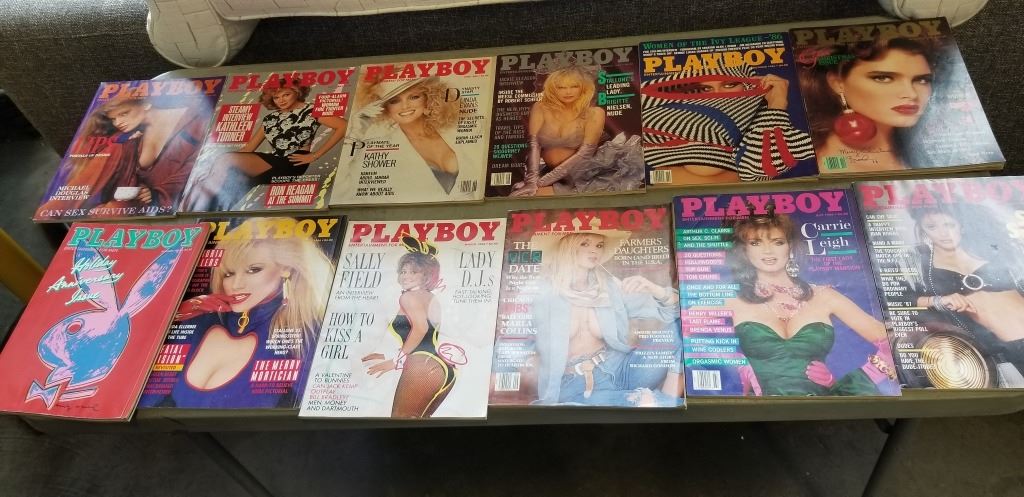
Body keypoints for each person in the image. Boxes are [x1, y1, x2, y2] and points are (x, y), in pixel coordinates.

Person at [717, 209, 897, 396]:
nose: (768, 251)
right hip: (760, 408)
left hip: (821, 405)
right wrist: (738, 364)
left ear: (790, 246)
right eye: (756, 243)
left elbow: (892, 341)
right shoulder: (732, 299)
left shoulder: (824, 296)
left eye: (778, 242)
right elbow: (694, 337)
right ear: (744, 250)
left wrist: (841, 381)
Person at [164, 217, 335, 408]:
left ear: (286, 268)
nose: (236, 285)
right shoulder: (199, 321)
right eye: (229, 274)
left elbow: (324, 405)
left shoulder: (306, 331)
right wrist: (174, 315)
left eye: (253, 270)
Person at [525, 220, 683, 406]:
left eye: (599, 245)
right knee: (644, 403)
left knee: (685, 326)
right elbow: (515, 340)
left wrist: (655, 289)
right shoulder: (543, 292)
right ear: (568, 247)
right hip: (576, 385)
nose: (594, 250)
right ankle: (662, 401)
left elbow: (673, 311)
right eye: (585, 243)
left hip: (623, 369)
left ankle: (666, 395)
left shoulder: (609, 287)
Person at [182, 79, 348, 211]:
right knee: (236, 181)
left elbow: (343, 126)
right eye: (276, 97)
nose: (281, 100)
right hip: (273, 161)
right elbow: (248, 149)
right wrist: (214, 166)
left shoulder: (312, 111)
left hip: (291, 164)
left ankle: (191, 209)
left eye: (286, 95)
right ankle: (207, 216)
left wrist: (315, 155)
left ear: (297, 93)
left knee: (225, 161)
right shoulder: (271, 119)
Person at [37, 91, 210, 216]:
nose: (118, 122)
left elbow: (199, 166)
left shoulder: (195, 119)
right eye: (113, 119)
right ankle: (51, 210)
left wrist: (157, 195)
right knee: (114, 151)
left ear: (146, 104)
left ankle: (53, 211)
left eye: (124, 114)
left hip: (172, 200)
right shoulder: (131, 136)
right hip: (131, 199)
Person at [907, 205, 1024, 386]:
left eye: (949, 225)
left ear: (961, 226)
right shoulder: (919, 265)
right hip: (1000, 350)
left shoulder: (990, 250)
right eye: (932, 227)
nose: (944, 233)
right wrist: (938, 300)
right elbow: (898, 300)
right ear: (922, 230)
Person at [641, 62, 814, 184]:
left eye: (730, 85)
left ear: (747, 87)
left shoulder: (769, 123)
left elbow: (762, 167)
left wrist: (777, 104)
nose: (718, 94)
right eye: (704, 89)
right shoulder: (664, 123)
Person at [798, 37, 936, 172]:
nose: (912, 94)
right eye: (883, 78)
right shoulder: (818, 164)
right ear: (838, 83)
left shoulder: (926, 152)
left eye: (922, 80)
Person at [360, 235, 460, 418]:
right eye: (403, 271)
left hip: (421, 367)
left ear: (426, 275)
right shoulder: (430, 297)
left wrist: (396, 361)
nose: (406, 276)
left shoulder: (408, 297)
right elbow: (426, 336)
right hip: (441, 368)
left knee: (401, 426)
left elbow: (421, 329)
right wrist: (386, 354)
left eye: (414, 272)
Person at [509, 65, 643, 196]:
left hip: (586, 173)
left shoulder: (595, 113)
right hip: (552, 174)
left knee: (531, 198)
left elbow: (585, 153)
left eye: (574, 86)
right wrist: (531, 181)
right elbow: (534, 145)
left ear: (583, 88)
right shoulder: (540, 108)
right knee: (518, 196)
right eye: (561, 87)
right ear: (553, 89)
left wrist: (542, 182)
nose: (568, 92)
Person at [349, 76, 463, 196]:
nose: (405, 106)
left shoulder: (454, 130)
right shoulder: (374, 148)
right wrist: (356, 132)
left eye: (414, 97)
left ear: (428, 98)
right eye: (394, 101)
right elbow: (345, 189)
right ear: (385, 108)